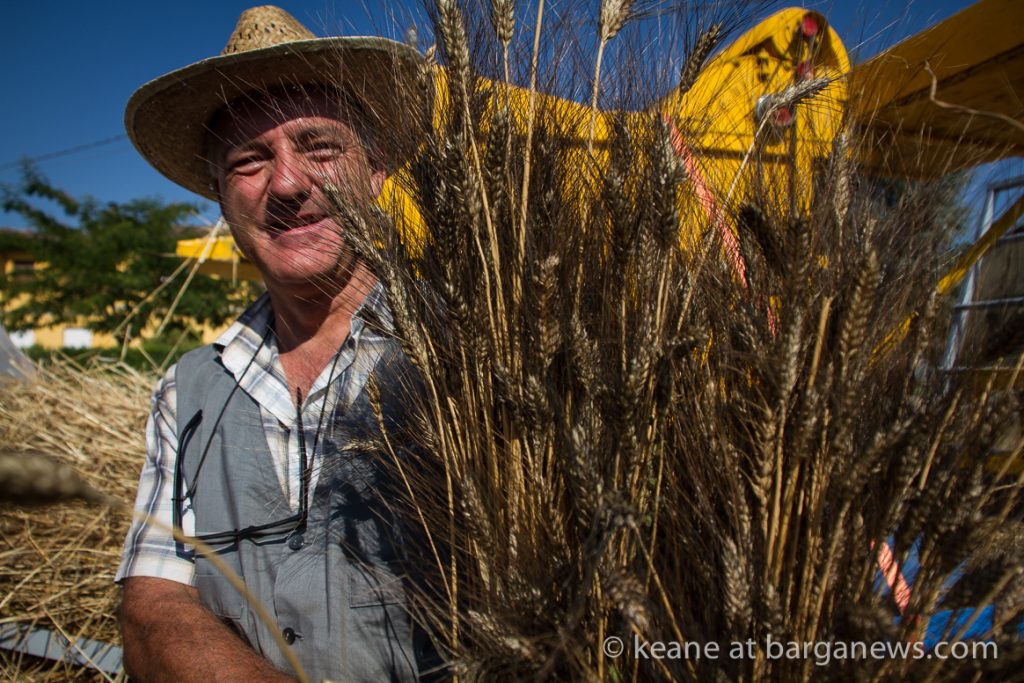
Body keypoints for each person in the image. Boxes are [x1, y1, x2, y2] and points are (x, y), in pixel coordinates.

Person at [115, 6, 432, 681]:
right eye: (249, 161)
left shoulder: (469, 355)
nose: (287, 184)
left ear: (375, 172)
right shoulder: (187, 390)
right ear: (222, 199)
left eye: (320, 148)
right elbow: (150, 606)